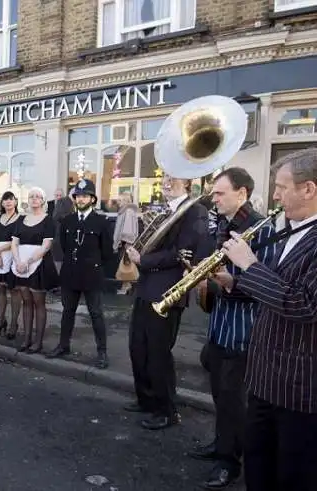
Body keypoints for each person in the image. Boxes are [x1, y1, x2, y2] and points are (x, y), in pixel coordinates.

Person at [220, 147, 317, 491]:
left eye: (281, 186)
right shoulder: (296, 226)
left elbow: (305, 304)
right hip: (266, 379)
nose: (274, 194)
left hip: (305, 388)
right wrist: (236, 282)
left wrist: (248, 265)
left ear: (308, 188)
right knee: (259, 472)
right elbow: (281, 288)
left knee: (296, 480)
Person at [187, 168, 277, 490]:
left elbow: (264, 281)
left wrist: (229, 283)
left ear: (242, 193)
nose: (214, 198)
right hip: (219, 325)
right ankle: (221, 443)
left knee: (234, 399)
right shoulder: (223, 225)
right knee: (220, 395)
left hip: (243, 330)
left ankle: (229, 462)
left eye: (220, 193)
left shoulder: (261, 228)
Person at [124, 175, 210, 430]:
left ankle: (166, 410)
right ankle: (146, 400)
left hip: (168, 290)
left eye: (173, 179)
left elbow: (184, 253)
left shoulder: (195, 211)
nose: (166, 183)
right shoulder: (165, 210)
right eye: (165, 179)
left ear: (187, 182)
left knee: (158, 353)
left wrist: (143, 260)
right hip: (146, 287)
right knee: (137, 347)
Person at [46, 179, 112, 369]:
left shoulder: (101, 221)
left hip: (92, 275)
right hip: (70, 274)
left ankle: (102, 352)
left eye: (85, 196)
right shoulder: (67, 221)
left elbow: (107, 252)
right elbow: (65, 246)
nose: (81, 199)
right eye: (78, 196)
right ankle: (63, 345)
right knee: (68, 312)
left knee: (96, 313)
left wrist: (94, 265)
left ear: (92, 199)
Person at [10, 187, 60, 353]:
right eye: (31, 196)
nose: (34, 199)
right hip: (21, 265)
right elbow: (14, 243)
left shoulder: (48, 221)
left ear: (43, 200)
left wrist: (29, 261)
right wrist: (18, 261)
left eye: (38, 196)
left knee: (39, 303)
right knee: (26, 302)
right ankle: (26, 339)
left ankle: (38, 342)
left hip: (38, 265)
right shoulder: (21, 219)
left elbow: (46, 246)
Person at [0, 191, 21, 339]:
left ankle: (13, 324)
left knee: (14, 290)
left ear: (16, 202)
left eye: (11, 199)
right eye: (5, 200)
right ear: (1, 203)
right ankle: (1, 321)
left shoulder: (21, 219)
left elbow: (17, 240)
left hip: (12, 257)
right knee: (0, 289)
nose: (8, 202)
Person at [113, 192, 140, 295]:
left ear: (125, 201)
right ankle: (126, 286)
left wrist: (126, 242)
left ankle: (126, 287)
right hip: (125, 243)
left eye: (120, 200)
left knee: (125, 265)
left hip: (125, 244)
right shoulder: (127, 211)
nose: (118, 203)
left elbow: (128, 229)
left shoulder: (128, 211)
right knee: (125, 265)